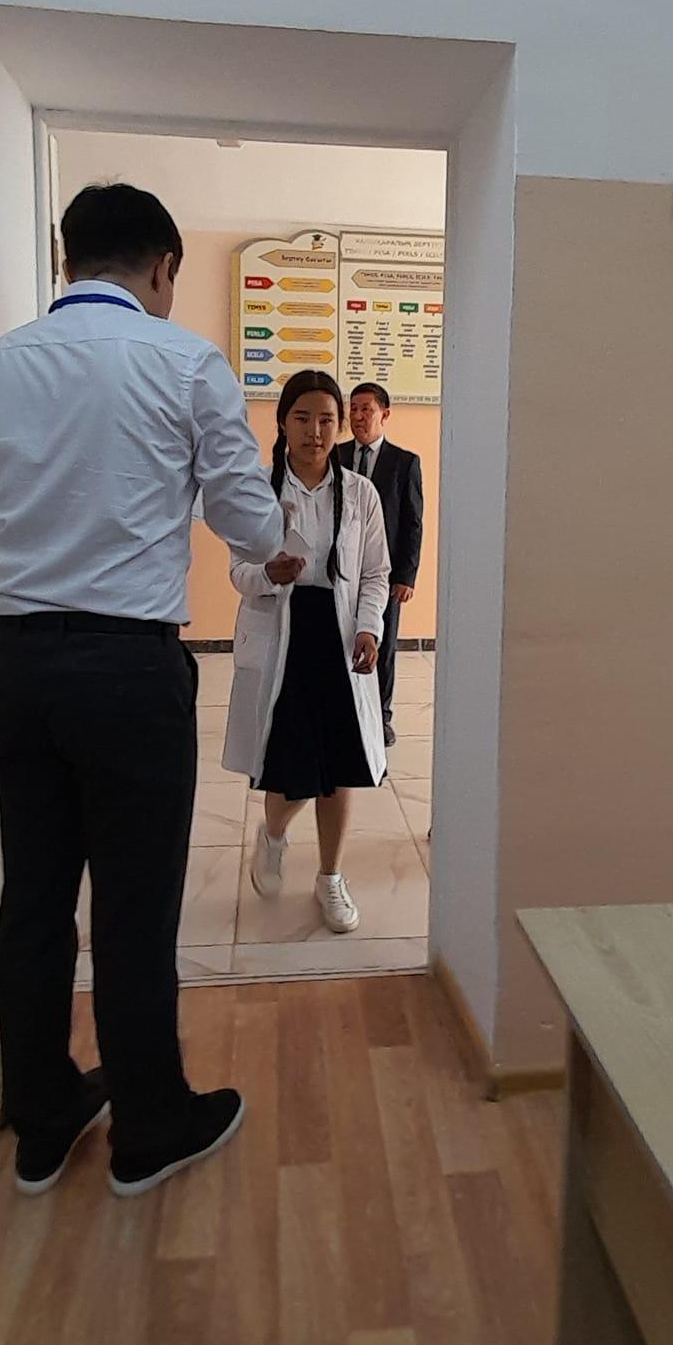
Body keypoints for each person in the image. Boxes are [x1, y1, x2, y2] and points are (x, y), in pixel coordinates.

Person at [0, 182, 284, 1199]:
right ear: (162, 267)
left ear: (67, 259)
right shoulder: (182, 360)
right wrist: (268, 540)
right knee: (135, 907)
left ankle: (43, 1119)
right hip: (126, 667)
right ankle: (149, 1128)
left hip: (15, 662)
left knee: (35, 897)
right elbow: (248, 514)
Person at [222, 371, 390, 934]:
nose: (314, 431)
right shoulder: (258, 491)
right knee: (288, 761)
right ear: (282, 422)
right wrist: (268, 574)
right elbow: (239, 572)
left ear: (339, 426)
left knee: (340, 765)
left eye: (326, 420)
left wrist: (369, 629)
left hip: (339, 639)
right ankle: (272, 836)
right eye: (302, 418)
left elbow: (375, 573)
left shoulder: (361, 494)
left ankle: (330, 876)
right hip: (283, 636)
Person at [339, 383, 424, 746]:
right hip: (342, 571)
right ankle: (344, 712)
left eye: (367, 410)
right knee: (342, 641)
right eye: (354, 409)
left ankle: (381, 716)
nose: (358, 417)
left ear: (384, 415)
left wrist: (406, 575)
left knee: (382, 645)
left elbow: (413, 522)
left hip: (384, 574)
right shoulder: (336, 455)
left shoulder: (404, 463)